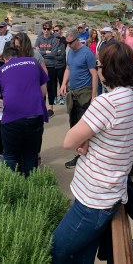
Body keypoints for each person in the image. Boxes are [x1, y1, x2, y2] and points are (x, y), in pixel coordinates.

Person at [52, 42, 133, 263]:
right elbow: (109, 137)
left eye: (99, 64)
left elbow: (68, 140)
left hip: (94, 197)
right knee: (83, 254)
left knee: (56, 248)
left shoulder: (106, 102)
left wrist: (84, 140)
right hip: (109, 191)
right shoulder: (129, 97)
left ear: (107, 70)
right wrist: (87, 140)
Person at [0, 31, 50, 176]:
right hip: (35, 116)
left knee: (11, 155)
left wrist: (5, 103)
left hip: (12, 118)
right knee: (31, 154)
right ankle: (30, 186)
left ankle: (14, 186)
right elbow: (43, 92)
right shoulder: (33, 62)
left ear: (5, 59)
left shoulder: (1, 70)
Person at [59, 27, 99, 169]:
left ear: (77, 39)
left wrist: (94, 96)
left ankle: (86, 157)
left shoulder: (87, 53)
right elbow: (68, 69)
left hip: (85, 93)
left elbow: (94, 75)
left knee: (84, 127)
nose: (68, 45)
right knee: (74, 125)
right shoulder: (70, 52)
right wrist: (63, 84)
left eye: (70, 42)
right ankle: (80, 155)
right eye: (67, 43)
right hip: (73, 93)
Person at [37, 22, 66, 111]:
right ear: (42, 29)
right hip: (40, 66)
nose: (46, 30)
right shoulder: (39, 39)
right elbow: (36, 52)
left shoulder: (54, 40)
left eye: (48, 29)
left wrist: (42, 53)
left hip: (51, 66)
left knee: (51, 87)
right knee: (41, 87)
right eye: (44, 28)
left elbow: (53, 54)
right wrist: (46, 52)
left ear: (50, 30)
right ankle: (42, 108)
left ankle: (50, 108)